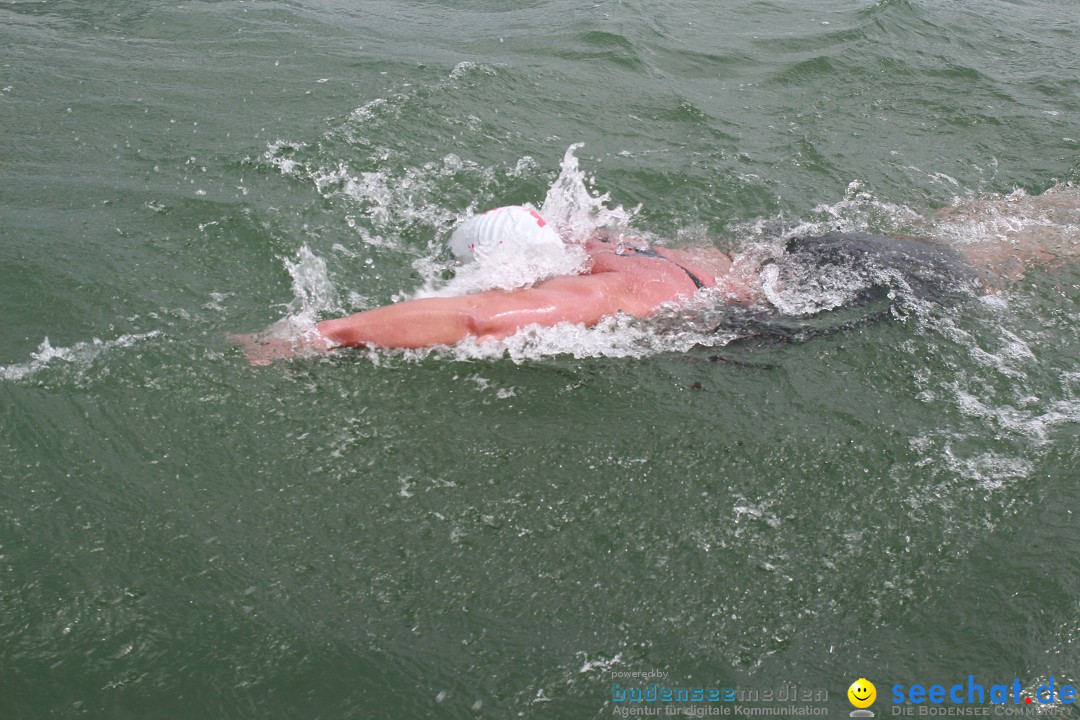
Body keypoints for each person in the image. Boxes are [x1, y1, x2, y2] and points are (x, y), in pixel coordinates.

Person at [236, 200, 1073, 365]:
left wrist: (319, 334)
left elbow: (482, 324)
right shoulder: (611, 246)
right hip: (811, 252)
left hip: (840, 294)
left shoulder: (590, 293)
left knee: (994, 261)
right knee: (991, 230)